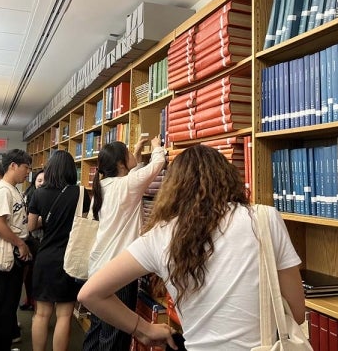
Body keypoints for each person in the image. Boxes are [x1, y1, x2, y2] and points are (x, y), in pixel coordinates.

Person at [78, 145, 305, 351]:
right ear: (228, 177)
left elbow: (90, 294)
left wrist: (143, 330)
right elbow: (297, 312)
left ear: (172, 188)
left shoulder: (159, 235)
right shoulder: (265, 219)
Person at [81, 136, 166, 351]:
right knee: (115, 337)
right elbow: (157, 165)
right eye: (127, 152)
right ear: (120, 164)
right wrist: (156, 147)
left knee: (98, 329)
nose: (132, 154)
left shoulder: (102, 186)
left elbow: (133, 175)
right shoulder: (127, 186)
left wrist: (136, 150)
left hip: (98, 268)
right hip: (118, 272)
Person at [27, 152, 89, 351]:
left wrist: (46, 220)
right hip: (69, 259)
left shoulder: (39, 193)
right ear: (71, 170)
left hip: (45, 257)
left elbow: (30, 227)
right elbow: (84, 223)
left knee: (41, 314)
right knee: (64, 315)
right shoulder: (80, 192)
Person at [0, 149, 32, 351]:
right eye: (25, 168)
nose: (27, 173)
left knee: (7, 308)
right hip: (2, 262)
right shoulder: (4, 190)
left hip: (11, 261)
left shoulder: (12, 189)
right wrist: (20, 243)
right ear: (13, 165)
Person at [19, 169, 45, 311]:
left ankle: (33, 300)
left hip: (42, 240)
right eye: (39, 181)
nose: (42, 183)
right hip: (30, 239)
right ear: (34, 182)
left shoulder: (47, 196)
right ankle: (30, 299)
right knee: (29, 273)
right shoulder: (28, 196)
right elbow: (27, 222)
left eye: (44, 181)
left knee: (36, 273)